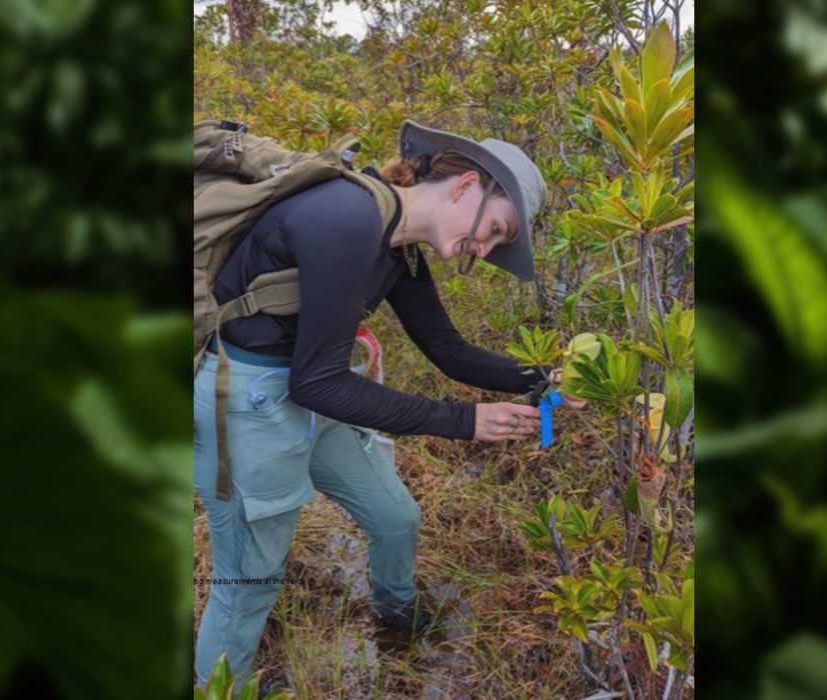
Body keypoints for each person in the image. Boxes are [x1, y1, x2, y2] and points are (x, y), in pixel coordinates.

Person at [193, 120, 567, 686]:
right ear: (466, 185)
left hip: (310, 387)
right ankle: (218, 687)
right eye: (494, 230)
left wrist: (544, 381)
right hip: (248, 401)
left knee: (395, 516)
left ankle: (397, 612)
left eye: (497, 246)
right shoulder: (345, 220)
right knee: (249, 581)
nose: (484, 249)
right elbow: (315, 383)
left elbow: (447, 350)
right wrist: (466, 421)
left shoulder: (397, 245)